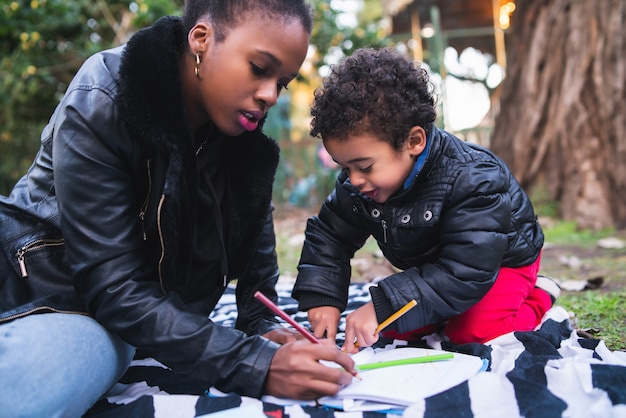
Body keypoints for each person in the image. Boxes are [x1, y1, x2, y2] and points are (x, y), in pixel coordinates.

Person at [0, 1, 357, 416]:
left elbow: (254, 251)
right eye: (260, 68)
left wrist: (262, 326)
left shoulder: (238, 136)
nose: (269, 95)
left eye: (283, 82)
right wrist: (253, 363)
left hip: (113, 321)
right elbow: (113, 287)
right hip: (44, 292)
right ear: (201, 39)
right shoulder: (104, 95)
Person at [292, 47, 560, 354]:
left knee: (472, 334)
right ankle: (442, 311)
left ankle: (539, 295)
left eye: (364, 166)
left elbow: (466, 271)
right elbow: (330, 236)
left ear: (414, 141)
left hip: (499, 264)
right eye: (345, 168)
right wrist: (324, 298)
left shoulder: (474, 177)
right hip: (439, 268)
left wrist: (382, 304)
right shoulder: (360, 185)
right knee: (386, 326)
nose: (353, 180)